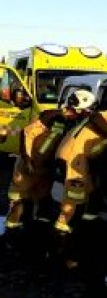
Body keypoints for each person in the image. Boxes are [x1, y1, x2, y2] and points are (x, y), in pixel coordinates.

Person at [52, 89, 107, 268]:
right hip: (75, 164)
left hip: (75, 162)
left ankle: (79, 237)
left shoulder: (88, 118)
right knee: (71, 210)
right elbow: (96, 118)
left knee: (88, 198)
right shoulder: (101, 116)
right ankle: (64, 253)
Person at [1, 92, 88, 250]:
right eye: (82, 111)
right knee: (19, 201)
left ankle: (37, 236)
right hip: (29, 166)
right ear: (76, 109)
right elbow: (26, 133)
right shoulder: (50, 116)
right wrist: (27, 159)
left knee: (43, 202)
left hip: (45, 169)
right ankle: (11, 234)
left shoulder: (75, 123)